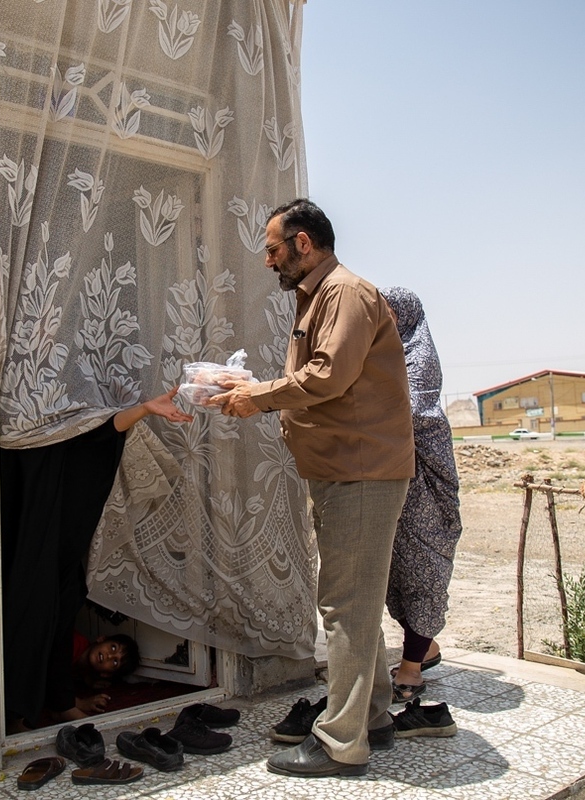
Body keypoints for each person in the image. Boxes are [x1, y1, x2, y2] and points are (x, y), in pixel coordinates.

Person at [211, 198, 415, 777]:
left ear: (304, 244)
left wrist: (259, 396)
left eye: (273, 249)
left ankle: (340, 744)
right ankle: (371, 718)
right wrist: (256, 389)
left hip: (360, 473)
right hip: (344, 472)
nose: (269, 262)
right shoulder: (321, 296)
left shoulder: (344, 293)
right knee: (357, 599)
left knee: (346, 606)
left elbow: (328, 375)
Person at [1, 390, 192, 734]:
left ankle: (47, 706)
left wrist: (145, 409)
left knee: (56, 604)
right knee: (30, 608)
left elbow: (102, 433)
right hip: (29, 539)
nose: (110, 657)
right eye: (115, 653)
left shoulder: (80, 441)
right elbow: (100, 434)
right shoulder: (27, 436)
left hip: (59, 550)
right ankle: (18, 709)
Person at [378, 286, 463, 702]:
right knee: (393, 568)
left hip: (421, 478)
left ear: (407, 318)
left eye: (390, 313)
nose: (383, 320)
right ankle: (424, 647)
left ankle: (412, 667)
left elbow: (412, 411)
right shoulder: (378, 353)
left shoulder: (418, 357)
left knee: (423, 564)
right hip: (385, 472)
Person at [66, 632, 141, 718]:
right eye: (113, 647)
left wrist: (86, 678)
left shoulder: (82, 669)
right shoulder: (75, 643)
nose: (109, 656)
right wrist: (80, 703)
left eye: (115, 662)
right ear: (101, 639)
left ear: (106, 674)